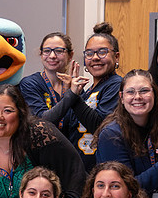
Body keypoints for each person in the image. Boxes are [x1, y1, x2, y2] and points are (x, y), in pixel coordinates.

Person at [94, 69, 158, 198]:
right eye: (130, 92)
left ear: (154, 94)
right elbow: (127, 188)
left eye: (144, 91)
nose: (137, 97)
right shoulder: (111, 135)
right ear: (121, 97)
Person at [42, 28, 123, 170]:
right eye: (89, 53)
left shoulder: (117, 85)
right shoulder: (89, 90)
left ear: (116, 57)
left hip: (100, 171)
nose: (95, 58)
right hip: (79, 170)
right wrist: (71, 92)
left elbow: (100, 126)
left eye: (102, 52)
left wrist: (74, 95)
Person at [19, 32, 75, 135]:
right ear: (41, 54)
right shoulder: (30, 84)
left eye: (59, 51)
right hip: (44, 143)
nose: (52, 56)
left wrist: (72, 90)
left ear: (70, 55)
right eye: (47, 51)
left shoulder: (75, 86)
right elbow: (43, 121)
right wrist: (70, 95)